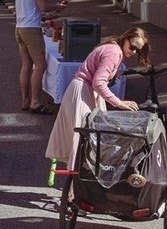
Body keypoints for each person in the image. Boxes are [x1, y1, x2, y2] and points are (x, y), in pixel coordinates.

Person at [45, 27, 151, 166]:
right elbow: (98, 83)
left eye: (138, 50)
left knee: (86, 142)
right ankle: (78, 178)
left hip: (84, 90)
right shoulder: (114, 53)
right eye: (132, 47)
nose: (134, 52)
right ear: (126, 39)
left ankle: (79, 177)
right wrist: (118, 102)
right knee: (84, 144)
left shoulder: (113, 48)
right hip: (83, 91)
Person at [15, 0, 61, 114]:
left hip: (20, 27)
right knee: (40, 65)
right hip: (31, 29)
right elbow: (43, 7)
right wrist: (57, 7)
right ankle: (35, 101)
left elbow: (29, 10)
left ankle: (25, 100)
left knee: (26, 65)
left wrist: (46, 17)